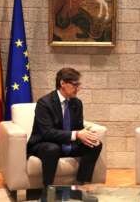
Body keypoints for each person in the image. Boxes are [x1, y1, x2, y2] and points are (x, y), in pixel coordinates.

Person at [27, 68, 102, 201]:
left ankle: (80, 186)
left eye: (79, 85)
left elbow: (77, 128)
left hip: (67, 144)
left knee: (95, 144)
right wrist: (76, 134)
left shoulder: (77, 103)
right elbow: (47, 132)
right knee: (52, 148)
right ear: (62, 83)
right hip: (43, 143)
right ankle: (47, 190)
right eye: (75, 84)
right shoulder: (45, 103)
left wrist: (86, 134)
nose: (78, 88)